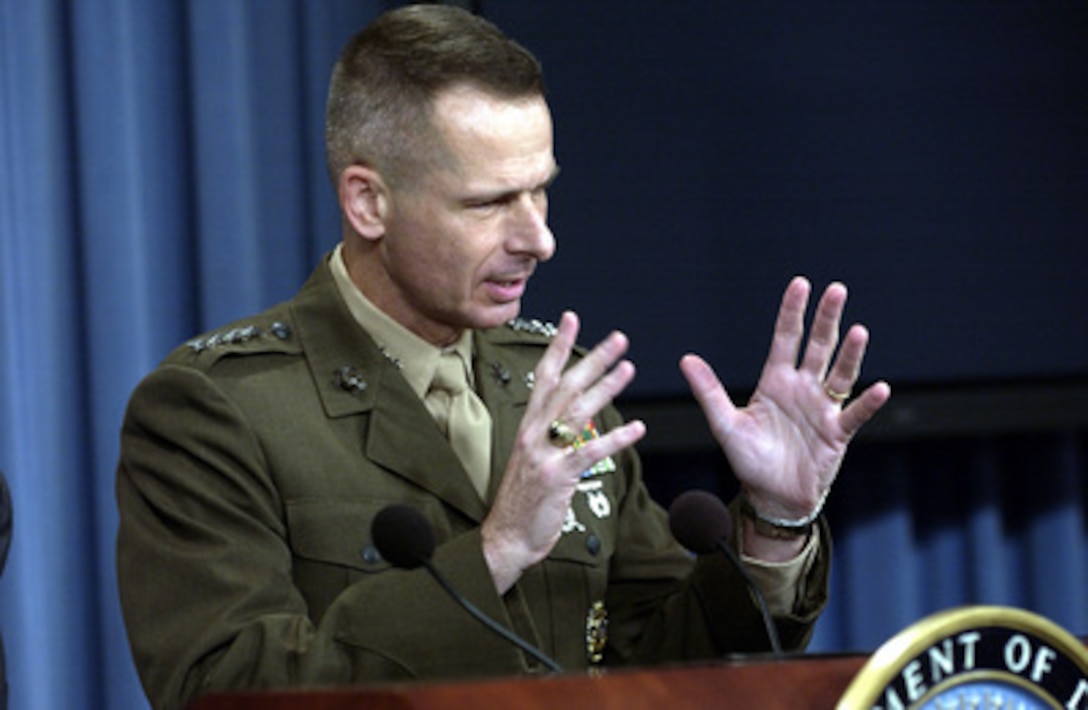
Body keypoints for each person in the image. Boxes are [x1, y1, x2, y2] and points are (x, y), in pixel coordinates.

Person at [116, 5, 891, 709]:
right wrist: (491, 554)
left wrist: (775, 525)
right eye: (489, 203)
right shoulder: (217, 410)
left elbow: (665, 663)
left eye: (540, 191)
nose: (539, 239)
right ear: (368, 202)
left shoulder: (553, 382)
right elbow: (220, 691)